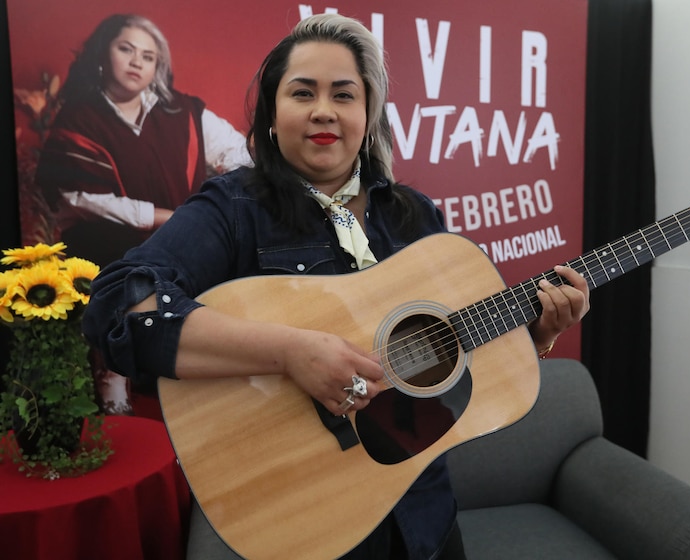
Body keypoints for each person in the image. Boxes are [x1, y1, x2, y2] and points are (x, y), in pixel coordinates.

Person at [82, 13, 590, 560]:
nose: (324, 109)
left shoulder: (413, 216)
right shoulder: (233, 207)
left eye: (343, 94)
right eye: (303, 92)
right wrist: (291, 351)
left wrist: (534, 332)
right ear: (272, 115)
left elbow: (446, 355)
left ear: (368, 114)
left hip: (425, 517)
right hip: (305, 519)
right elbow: (117, 307)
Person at [36, 13, 252, 414]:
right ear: (104, 54)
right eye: (126, 49)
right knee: (117, 263)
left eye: (148, 56)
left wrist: (219, 204)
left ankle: (201, 388)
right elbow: (79, 198)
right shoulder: (78, 118)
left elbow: (241, 156)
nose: (137, 62)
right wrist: (166, 217)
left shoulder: (183, 113)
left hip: (180, 240)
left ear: (158, 67)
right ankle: (113, 374)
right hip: (105, 241)